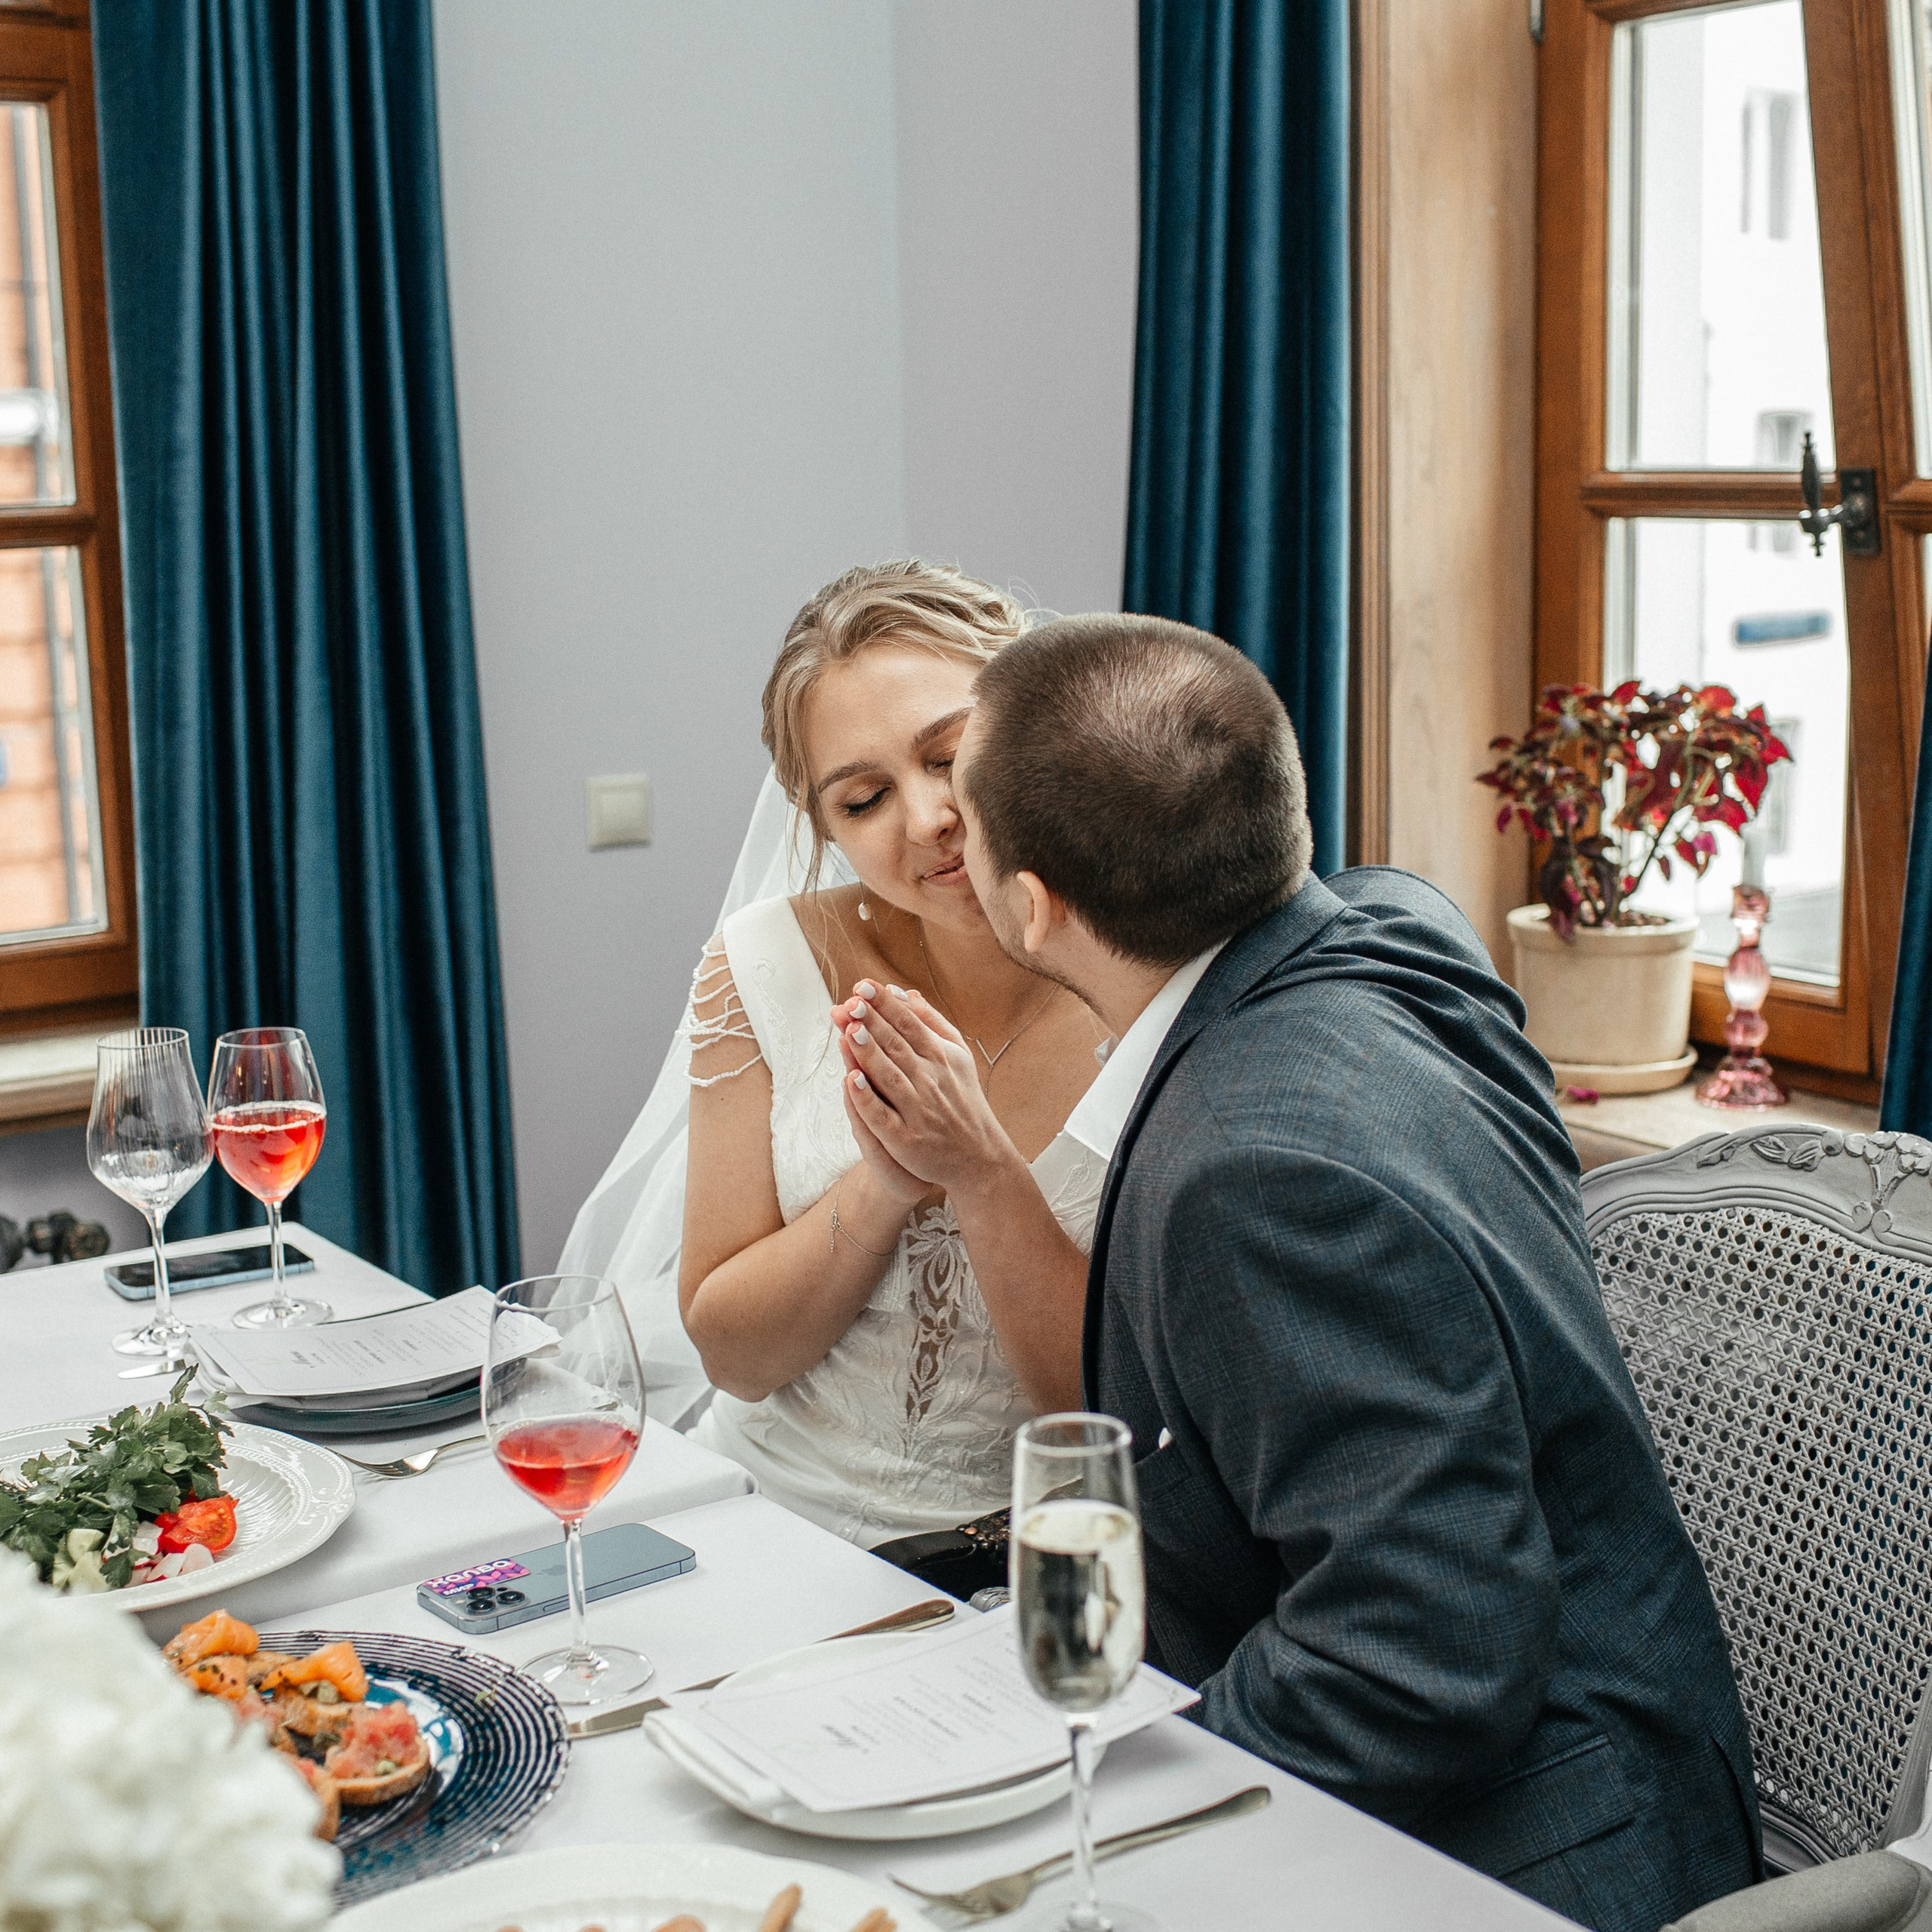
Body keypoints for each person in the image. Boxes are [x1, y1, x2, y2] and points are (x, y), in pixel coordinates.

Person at [839, 611, 1761, 1932]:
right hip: (1617, 1733)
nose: (940, 842)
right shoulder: (1396, 924)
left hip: (1540, 1848)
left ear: (1032, 907)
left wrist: (1100, 1797)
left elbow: (1418, 1658)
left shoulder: (1251, 1175)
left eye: (966, 825)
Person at [572, 558, 1115, 1555]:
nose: (926, 821)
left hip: (1042, 1554)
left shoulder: (1147, 972)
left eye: (949, 757)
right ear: (821, 825)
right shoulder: (765, 966)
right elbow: (733, 1356)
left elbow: (1098, 1404)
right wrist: (882, 1185)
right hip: (769, 1525)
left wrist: (979, 1172)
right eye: (863, 800)